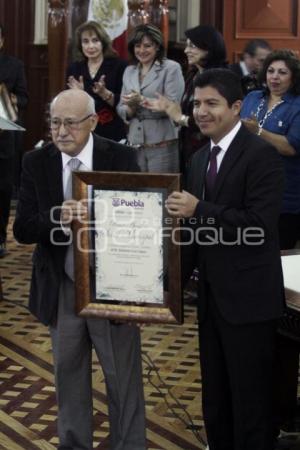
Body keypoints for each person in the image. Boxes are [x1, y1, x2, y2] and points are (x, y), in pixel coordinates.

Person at [13, 89, 146, 450]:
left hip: (112, 286)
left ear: (92, 121)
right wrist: (57, 217)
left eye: (70, 123)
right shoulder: (35, 162)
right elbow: (23, 229)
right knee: (68, 378)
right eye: (55, 122)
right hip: (62, 286)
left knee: (123, 379)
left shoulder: (119, 157)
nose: (61, 131)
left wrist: (141, 295)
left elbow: (140, 224)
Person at [165, 68, 285, 450]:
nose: (201, 111)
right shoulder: (199, 158)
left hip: (249, 301)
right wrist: (166, 294)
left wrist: (200, 209)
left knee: (250, 403)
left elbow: (258, 225)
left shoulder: (261, 155)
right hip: (211, 301)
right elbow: (194, 237)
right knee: (215, 397)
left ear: (236, 107)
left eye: (211, 103)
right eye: (196, 103)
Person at [143, 24, 227, 175]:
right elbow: (185, 112)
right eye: (187, 45)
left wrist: (180, 117)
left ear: (209, 48)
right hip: (189, 150)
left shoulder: (220, 78)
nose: (186, 50)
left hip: (211, 151)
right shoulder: (192, 75)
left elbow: (214, 119)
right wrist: (168, 107)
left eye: (193, 46)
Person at [241, 49, 300, 250]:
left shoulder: (297, 105)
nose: (274, 77)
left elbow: (291, 147)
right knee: (248, 249)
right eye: (271, 71)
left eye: (282, 72)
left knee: (277, 252)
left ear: (293, 76)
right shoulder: (253, 97)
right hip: (249, 186)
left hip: (284, 192)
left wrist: (258, 131)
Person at [117, 24, 184, 173]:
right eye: (137, 46)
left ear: (157, 47)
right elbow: (121, 108)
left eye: (147, 46)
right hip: (135, 144)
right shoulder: (129, 71)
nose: (141, 50)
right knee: (139, 193)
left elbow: (173, 106)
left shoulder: (171, 68)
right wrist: (130, 108)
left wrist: (140, 100)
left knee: (162, 193)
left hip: (162, 144)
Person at [67, 20, 127, 141]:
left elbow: (125, 104)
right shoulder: (74, 68)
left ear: (103, 43)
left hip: (112, 131)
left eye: (95, 40)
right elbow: (69, 106)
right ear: (80, 45)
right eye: (85, 41)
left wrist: (105, 94)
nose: (90, 46)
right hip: (83, 131)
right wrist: (78, 95)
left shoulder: (119, 66)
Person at [0, 23, 28, 257]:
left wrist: (10, 98)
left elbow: (25, 98)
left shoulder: (14, 65)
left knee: (2, 190)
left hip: (4, 138)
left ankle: (0, 239)